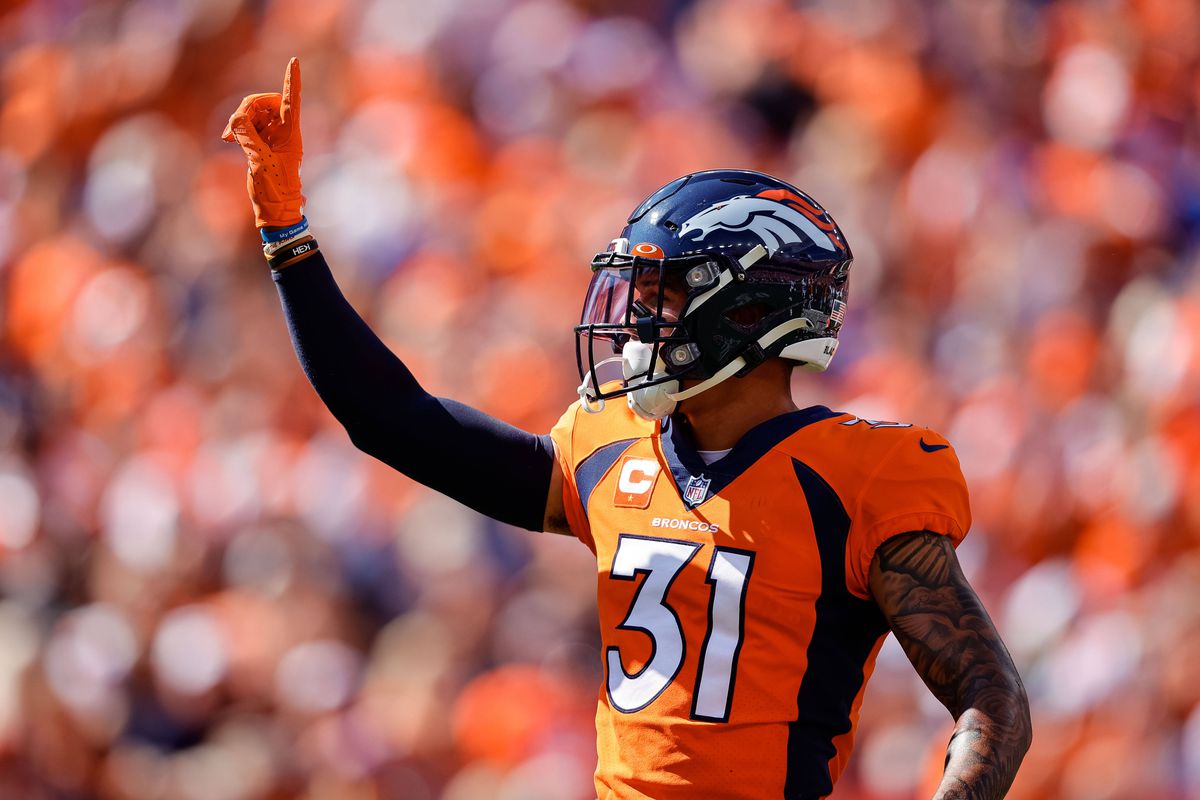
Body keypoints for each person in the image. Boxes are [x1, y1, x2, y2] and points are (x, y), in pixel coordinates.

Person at [224, 59, 1032, 800]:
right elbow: (392, 420)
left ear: (748, 314)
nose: (636, 322)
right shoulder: (609, 448)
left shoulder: (857, 478)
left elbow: (990, 697)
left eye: (662, 296)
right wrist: (287, 234)